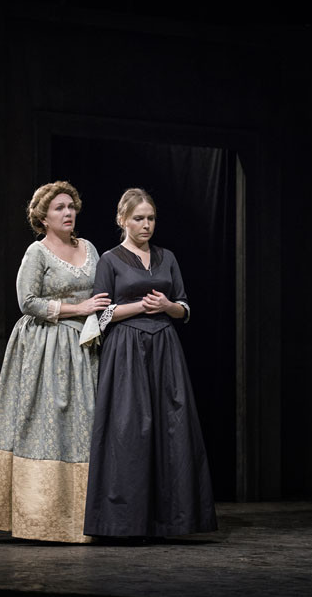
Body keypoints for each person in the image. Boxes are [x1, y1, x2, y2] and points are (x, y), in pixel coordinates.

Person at [0, 181, 110, 542]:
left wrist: (100, 316)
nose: (68, 213)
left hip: (84, 346)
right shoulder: (37, 252)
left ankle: (85, 520)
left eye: (71, 206)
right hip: (45, 347)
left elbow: (102, 296)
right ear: (43, 217)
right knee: (46, 425)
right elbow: (27, 301)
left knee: (83, 426)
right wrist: (77, 308)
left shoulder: (89, 248)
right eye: (59, 208)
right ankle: (41, 519)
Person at [84, 188, 217, 539]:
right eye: (139, 218)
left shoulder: (167, 257)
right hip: (126, 349)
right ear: (122, 220)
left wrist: (167, 307)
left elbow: (184, 307)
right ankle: (126, 522)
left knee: (172, 427)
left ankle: (171, 521)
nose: (146, 225)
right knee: (129, 430)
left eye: (151, 218)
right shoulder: (109, 260)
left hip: (164, 347)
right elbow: (100, 315)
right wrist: (141, 307)